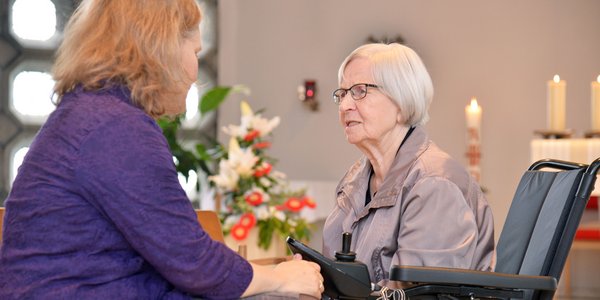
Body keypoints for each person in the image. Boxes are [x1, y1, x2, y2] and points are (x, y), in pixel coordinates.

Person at [0, 0, 323, 299]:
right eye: (195, 52)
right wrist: (282, 276)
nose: (196, 75)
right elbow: (196, 265)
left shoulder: (91, 113)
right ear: (162, 48)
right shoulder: (115, 126)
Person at [322, 43, 495, 285]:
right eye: (342, 94)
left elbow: (416, 291)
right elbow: (337, 275)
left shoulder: (435, 184)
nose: (344, 106)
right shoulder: (354, 181)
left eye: (359, 91)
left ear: (401, 104)